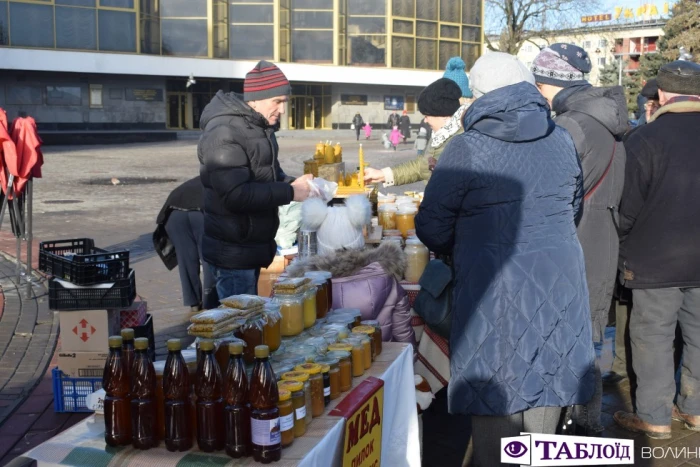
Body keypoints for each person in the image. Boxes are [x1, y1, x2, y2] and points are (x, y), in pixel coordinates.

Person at [414, 52, 595, 466]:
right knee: (545, 399)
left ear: (476, 96)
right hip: (559, 287)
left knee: (495, 415)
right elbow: (573, 209)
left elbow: (432, 229)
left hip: (491, 291)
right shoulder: (561, 138)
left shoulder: (466, 148)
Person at [531, 42, 628, 436]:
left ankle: (573, 423)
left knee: (569, 333)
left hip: (574, 239)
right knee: (588, 331)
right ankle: (585, 419)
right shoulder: (607, 119)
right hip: (602, 235)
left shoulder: (571, 125)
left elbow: (555, 192)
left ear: (546, 82)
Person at [613, 60, 700, 440]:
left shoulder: (644, 139)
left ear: (661, 94)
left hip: (653, 263)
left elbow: (625, 208)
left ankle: (654, 416)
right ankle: (696, 410)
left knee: (652, 339)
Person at [197, 60, 312, 299]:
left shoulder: (259, 129)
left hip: (250, 246)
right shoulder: (225, 131)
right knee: (237, 327)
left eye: (285, 103)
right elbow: (235, 195)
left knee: (244, 324)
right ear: (256, 98)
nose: (282, 110)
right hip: (233, 251)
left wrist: (293, 183)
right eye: (277, 101)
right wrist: (291, 193)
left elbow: (269, 175)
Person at [288, 195, 415, 344]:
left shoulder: (306, 287)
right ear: (359, 238)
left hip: (327, 365)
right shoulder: (385, 274)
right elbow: (402, 331)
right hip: (382, 357)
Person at [363, 78, 464, 187]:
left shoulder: (462, 141)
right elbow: (422, 166)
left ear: (444, 116)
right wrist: (383, 174)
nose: (425, 120)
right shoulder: (440, 135)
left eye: (427, 115)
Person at [153, 177, 218, 312]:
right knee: (209, 258)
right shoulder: (227, 181)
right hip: (201, 214)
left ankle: (193, 302)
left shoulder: (200, 179)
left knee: (186, 261)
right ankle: (210, 302)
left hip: (173, 215)